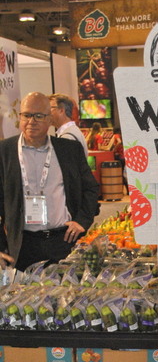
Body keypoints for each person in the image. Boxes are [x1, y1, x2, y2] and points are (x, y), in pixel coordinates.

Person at [0, 92, 100, 271]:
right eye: (26, 115)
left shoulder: (68, 150)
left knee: (66, 287)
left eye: (39, 116)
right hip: (22, 245)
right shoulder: (4, 151)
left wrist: (82, 221)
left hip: (63, 241)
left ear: (49, 119)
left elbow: (91, 188)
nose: (32, 121)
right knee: (24, 289)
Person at [49, 93, 89, 157]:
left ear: (61, 110)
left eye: (50, 108)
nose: (47, 112)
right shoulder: (72, 131)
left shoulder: (67, 138)